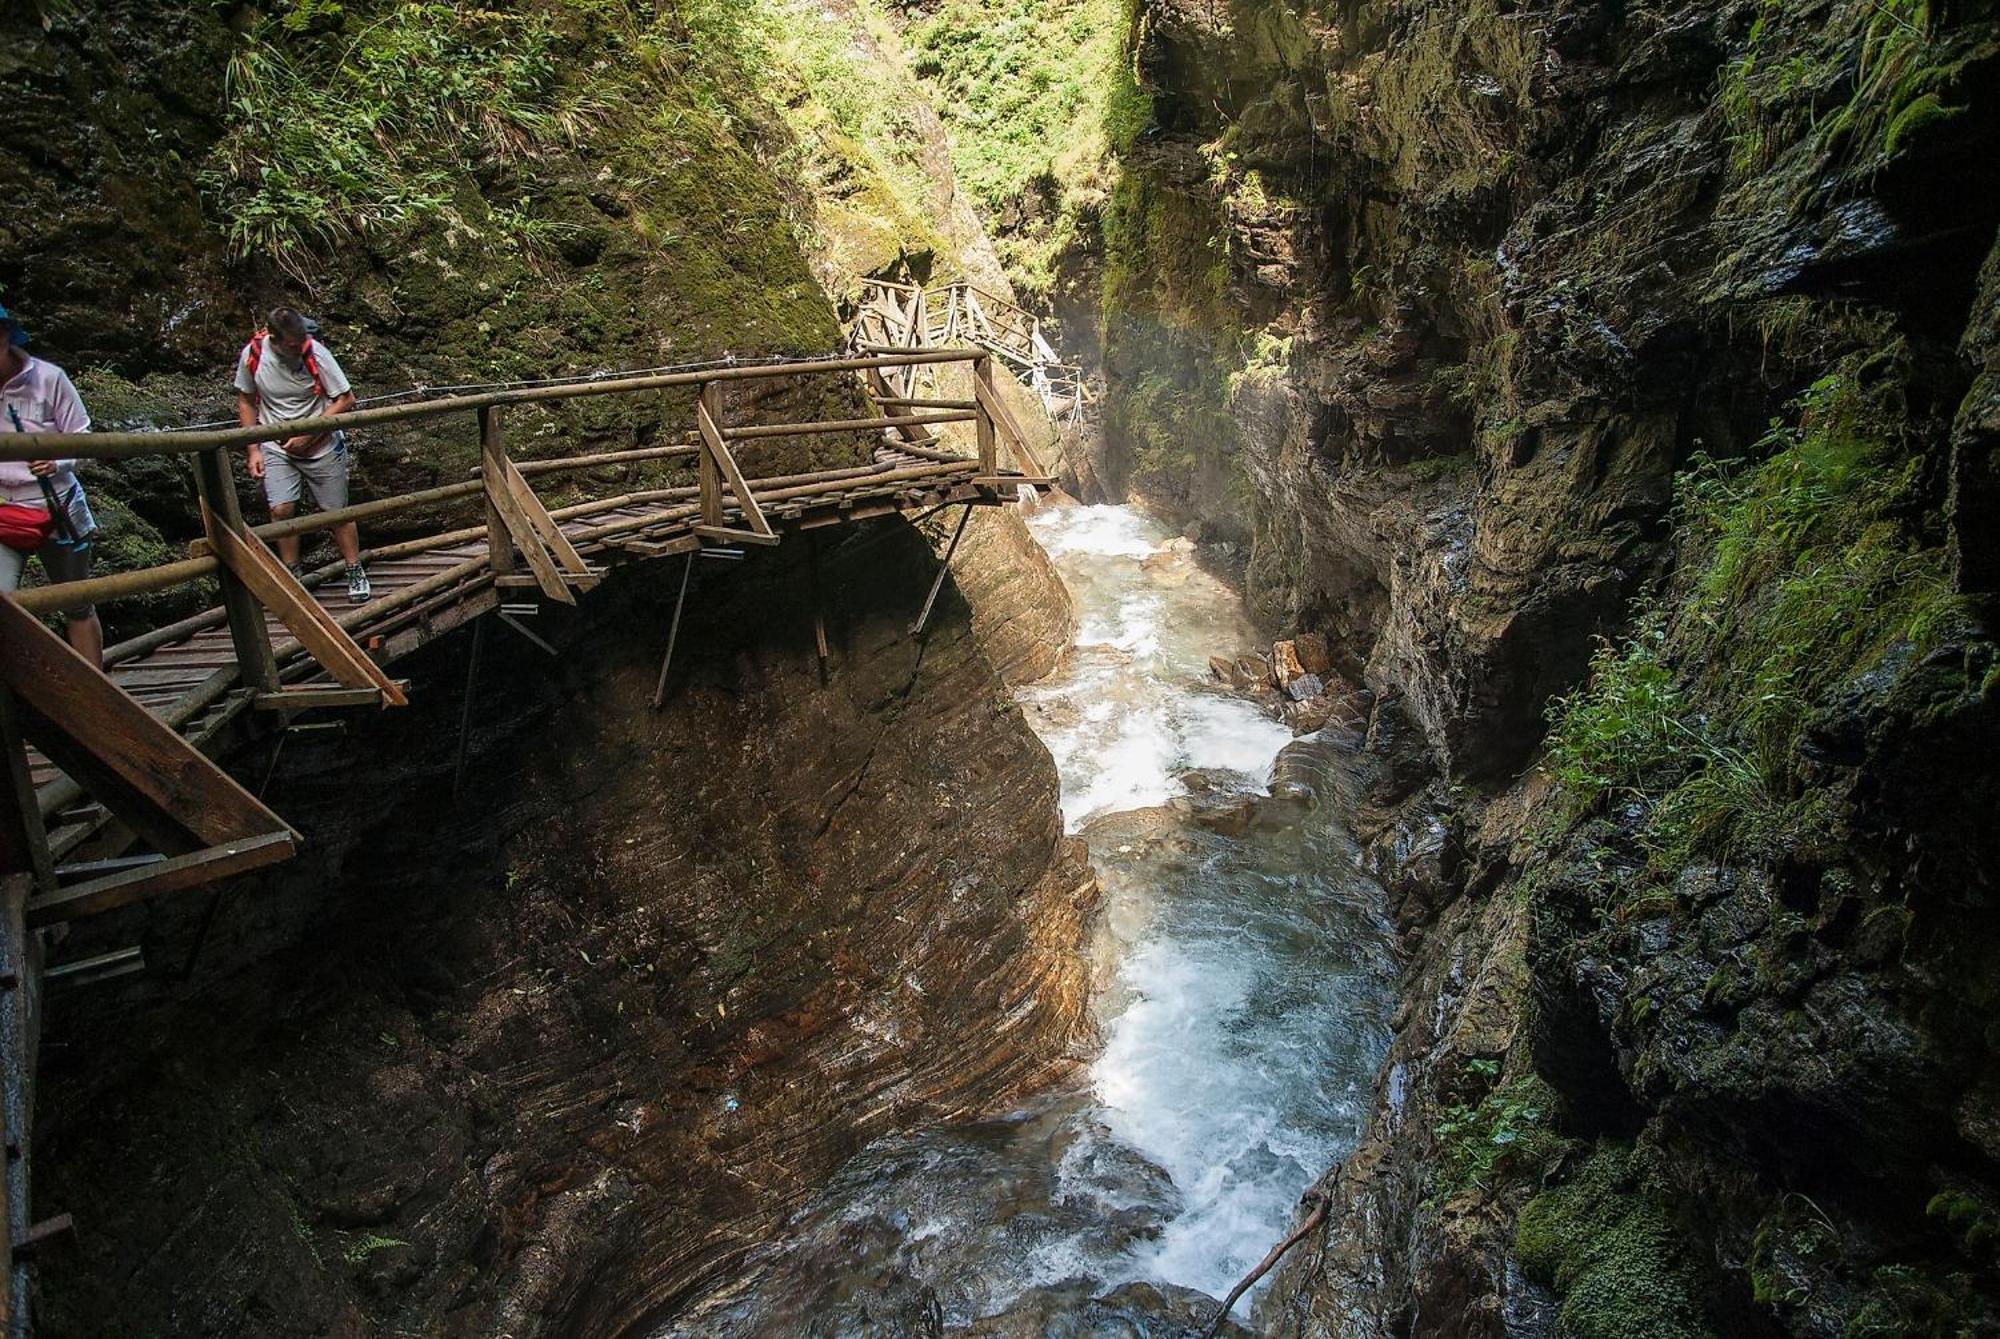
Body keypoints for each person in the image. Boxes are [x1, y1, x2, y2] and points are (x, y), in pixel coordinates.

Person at [233, 306, 371, 603]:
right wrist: (253, 448)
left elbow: (346, 398)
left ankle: (354, 569)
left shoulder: (315, 353)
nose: (300, 348)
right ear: (274, 339)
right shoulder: (253, 356)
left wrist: (309, 433)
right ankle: (291, 573)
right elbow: (246, 400)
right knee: (281, 510)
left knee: (336, 512)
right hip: (275, 443)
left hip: (321, 444)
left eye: (302, 341)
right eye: (293, 345)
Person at [0, 302, 105, 667]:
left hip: (55, 505)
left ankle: (98, 698)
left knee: (76, 603)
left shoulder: (48, 378)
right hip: (4, 510)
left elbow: (83, 438)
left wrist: (57, 461)